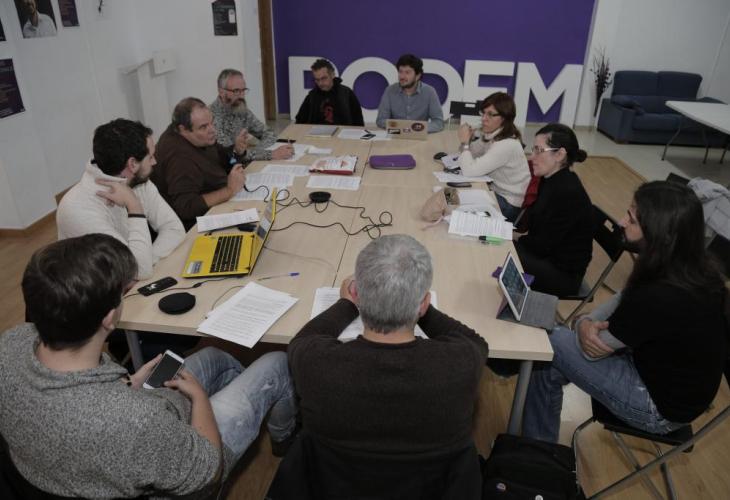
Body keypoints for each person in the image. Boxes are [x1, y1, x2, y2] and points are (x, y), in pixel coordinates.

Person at [0, 234, 297, 498]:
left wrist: (127, 385)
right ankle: (283, 438)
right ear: (109, 318)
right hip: (183, 466)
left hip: (106, 443)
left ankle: (249, 404)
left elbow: (85, 404)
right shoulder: (134, 420)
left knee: (214, 356)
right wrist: (200, 399)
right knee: (276, 362)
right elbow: (208, 472)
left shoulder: (10, 345)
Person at [523, 181, 728, 442]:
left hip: (656, 408)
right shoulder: (690, 267)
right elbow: (622, 298)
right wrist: (585, 322)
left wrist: (582, 323)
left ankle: (534, 445)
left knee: (549, 340)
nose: (621, 222)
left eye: (631, 219)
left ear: (658, 233)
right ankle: (536, 448)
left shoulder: (660, 295)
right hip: (663, 379)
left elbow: (592, 348)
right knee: (549, 363)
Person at [288, 234, 487, 496]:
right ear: (424, 303)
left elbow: (304, 339)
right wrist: (415, 305)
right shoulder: (462, 364)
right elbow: (475, 341)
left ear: (358, 293)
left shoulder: (315, 364)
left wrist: (346, 304)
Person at [57, 118, 185, 280]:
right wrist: (134, 206)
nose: (155, 162)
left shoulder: (137, 180)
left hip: (129, 282)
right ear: (132, 164)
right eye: (151, 156)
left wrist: (147, 260)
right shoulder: (78, 208)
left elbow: (174, 229)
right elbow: (139, 270)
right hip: (96, 293)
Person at [514, 123, 592, 296]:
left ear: (560, 154)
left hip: (562, 274)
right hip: (546, 257)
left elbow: (542, 246)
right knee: (496, 247)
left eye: (538, 150)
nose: (532, 157)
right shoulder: (549, 179)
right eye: (533, 150)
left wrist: (515, 237)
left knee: (499, 253)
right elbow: (538, 232)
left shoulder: (567, 192)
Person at [152, 97, 250, 230]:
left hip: (218, 202)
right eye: (203, 127)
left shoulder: (197, 137)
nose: (212, 130)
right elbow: (185, 207)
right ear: (183, 129)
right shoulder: (179, 158)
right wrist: (229, 190)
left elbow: (219, 155)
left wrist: (236, 151)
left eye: (211, 123)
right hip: (194, 226)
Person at [457, 92, 531, 222]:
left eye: (490, 114)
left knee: (456, 204)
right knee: (453, 196)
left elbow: (469, 170)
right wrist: (468, 140)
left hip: (509, 205)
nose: (484, 119)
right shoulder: (493, 134)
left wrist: (464, 142)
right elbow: (470, 153)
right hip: (495, 192)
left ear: (504, 118)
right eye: (483, 113)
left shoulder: (506, 145)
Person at [210, 68, 294, 161]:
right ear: (221, 92)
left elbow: (269, 133)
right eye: (236, 91)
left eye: (243, 90)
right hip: (227, 167)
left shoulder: (240, 108)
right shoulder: (211, 118)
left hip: (245, 163)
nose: (242, 95)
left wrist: (258, 152)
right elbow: (229, 154)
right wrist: (270, 154)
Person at [375, 54, 444, 133]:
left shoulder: (429, 92)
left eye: (407, 72)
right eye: (400, 72)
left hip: (419, 136)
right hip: (395, 134)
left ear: (417, 76)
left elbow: (438, 123)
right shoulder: (390, 90)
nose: (402, 76)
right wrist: (400, 127)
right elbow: (381, 120)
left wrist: (417, 128)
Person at [295, 58, 364, 126]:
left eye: (324, 78)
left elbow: (358, 122)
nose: (320, 83)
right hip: (316, 132)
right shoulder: (312, 96)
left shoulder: (347, 93)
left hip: (342, 132)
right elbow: (299, 121)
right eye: (317, 80)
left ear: (332, 75)